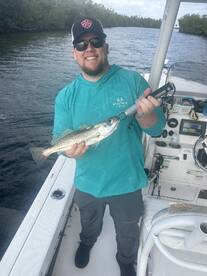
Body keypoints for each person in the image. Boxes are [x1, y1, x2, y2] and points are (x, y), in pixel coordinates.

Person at [53, 16, 166, 276]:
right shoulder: (65, 96)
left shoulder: (133, 82)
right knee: (88, 222)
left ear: (105, 45)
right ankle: (87, 242)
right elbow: (60, 138)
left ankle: (126, 259)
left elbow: (156, 128)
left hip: (127, 183)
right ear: (74, 53)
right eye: (81, 45)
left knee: (128, 229)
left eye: (95, 41)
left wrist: (146, 114)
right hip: (87, 183)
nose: (89, 49)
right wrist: (67, 151)